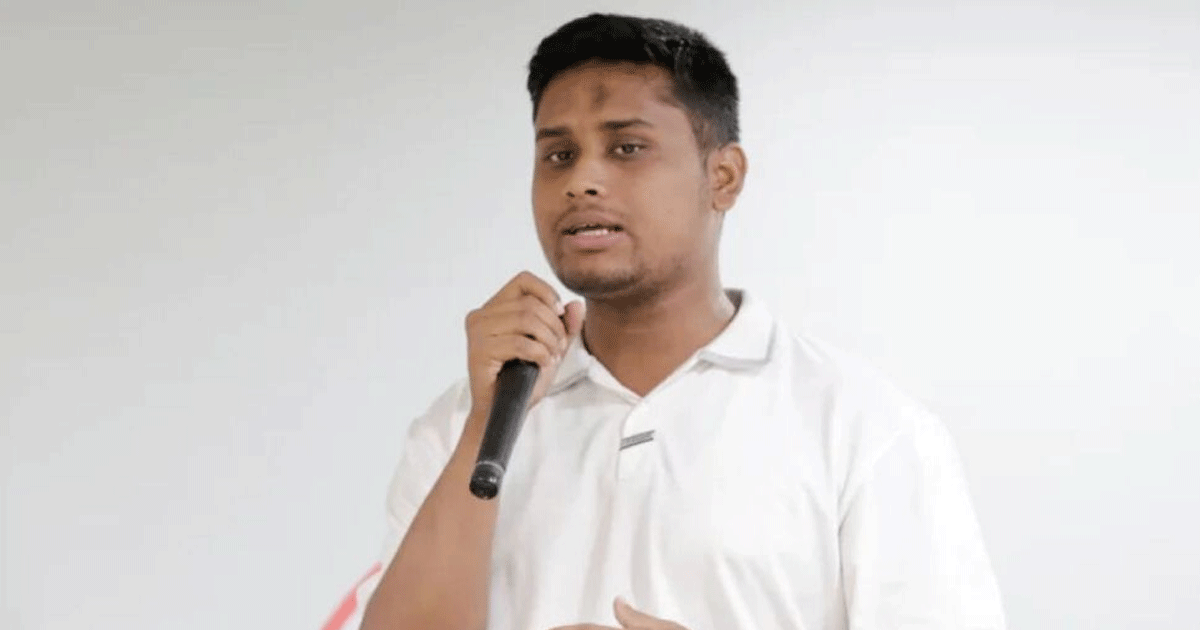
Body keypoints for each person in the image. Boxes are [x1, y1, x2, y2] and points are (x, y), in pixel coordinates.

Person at [360, 12, 1006, 630]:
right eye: (558, 155)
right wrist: (485, 422)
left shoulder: (864, 427)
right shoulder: (460, 425)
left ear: (723, 176)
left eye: (627, 148)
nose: (582, 181)